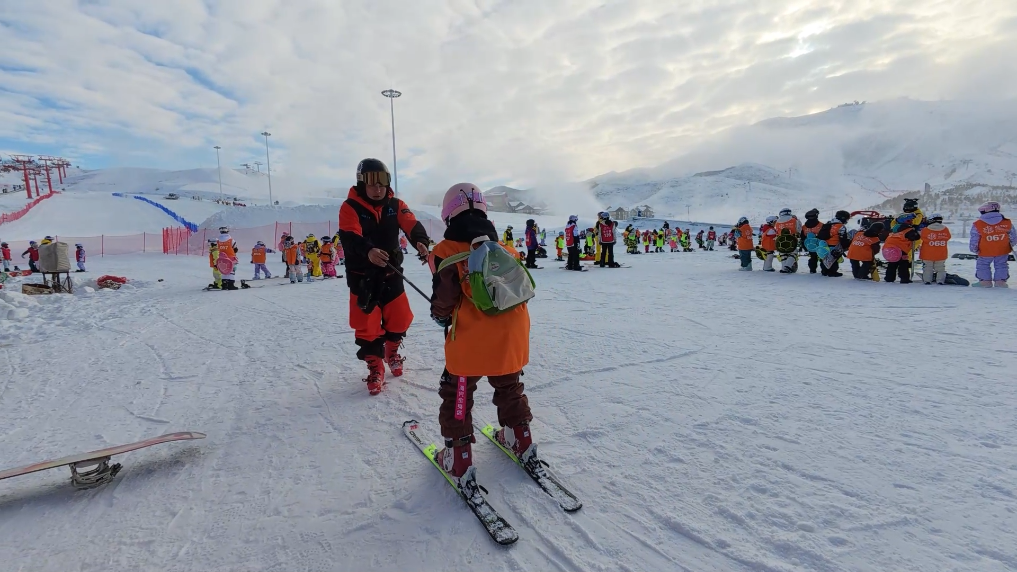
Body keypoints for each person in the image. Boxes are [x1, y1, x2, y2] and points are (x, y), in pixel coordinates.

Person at [428, 183, 534, 484]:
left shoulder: (445, 252)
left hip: (471, 340)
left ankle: (458, 458)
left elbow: (444, 300)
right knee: (509, 386)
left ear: (449, 216)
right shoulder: (506, 250)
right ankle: (520, 438)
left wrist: (439, 315)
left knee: (458, 391)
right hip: (512, 336)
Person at [337, 158, 431, 394]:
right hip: (362, 277)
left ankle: (391, 352)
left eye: (382, 183)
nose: (378, 188)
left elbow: (411, 224)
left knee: (400, 318)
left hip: (391, 272)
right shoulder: (350, 206)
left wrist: (421, 241)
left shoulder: (395, 204)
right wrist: (368, 251)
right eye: (372, 183)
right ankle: (375, 367)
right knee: (366, 326)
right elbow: (350, 236)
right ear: (362, 183)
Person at [970, 201, 1017, 287]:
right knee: (1001, 265)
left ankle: (985, 282)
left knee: (983, 265)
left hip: (985, 250)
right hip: (1003, 250)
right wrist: (1010, 246)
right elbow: (1013, 236)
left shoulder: (978, 224)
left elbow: (975, 238)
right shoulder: (1007, 222)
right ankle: (1000, 282)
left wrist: (974, 249)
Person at [882, 214, 920, 284]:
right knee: (903, 264)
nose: (912, 222)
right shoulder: (909, 230)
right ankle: (904, 278)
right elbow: (916, 237)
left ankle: (889, 278)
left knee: (892, 264)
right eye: (910, 220)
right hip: (900, 249)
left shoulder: (895, 228)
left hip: (888, 248)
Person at [919, 213, 950, 285]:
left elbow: (922, 238)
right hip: (941, 253)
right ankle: (940, 281)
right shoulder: (945, 229)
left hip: (927, 253)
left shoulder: (926, 230)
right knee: (940, 268)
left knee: (927, 267)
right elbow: (948, 237)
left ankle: (927, 280)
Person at [773, 208, 802, 273]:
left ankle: (783, 268)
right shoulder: (794, 220)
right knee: (793, 253)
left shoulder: (777, 221)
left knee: (783, 254)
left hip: (780, 240)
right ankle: (788, 266)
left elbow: (776, 231)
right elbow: (799, 229)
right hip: (792, 240)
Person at [216, 226, 240, 290]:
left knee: (224, 271)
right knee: (231, 271)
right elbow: (235, 248)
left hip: (222, 258)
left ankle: (224, 284)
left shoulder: (218, 241)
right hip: (231, 258)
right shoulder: (231, 240)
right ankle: (230, 285)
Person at [801, 208, 823, 273]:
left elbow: (802, 237)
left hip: (809, 246)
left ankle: (812, 270)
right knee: (822, 257)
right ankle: (824, 270)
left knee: (813, 257)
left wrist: (804, 246)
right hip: (820, 245)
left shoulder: (804, 227)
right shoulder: (821, 225)